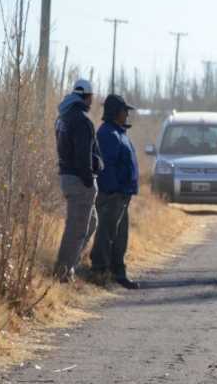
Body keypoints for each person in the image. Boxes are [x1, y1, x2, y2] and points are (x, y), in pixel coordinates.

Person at [54, 79, 103, 283]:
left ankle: (70, 265)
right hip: (79, 180)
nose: (92, 100)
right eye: (91, 97)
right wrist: (88, 180)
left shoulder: (63, 117)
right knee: (77, 228)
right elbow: (83, 156)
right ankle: (63, 274)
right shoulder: (82, 120)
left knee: (91, 222)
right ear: (87, 96)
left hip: (68, 177)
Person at [92, 94, 140, 289]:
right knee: (107, 233)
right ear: (116, 112)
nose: (127, 114)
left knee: (120, 236)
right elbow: (107, 165)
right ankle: (100, 270)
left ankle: (117, 272)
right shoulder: (107, 134)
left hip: (122, 194)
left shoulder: (118, 132)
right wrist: (113, 190)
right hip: (113, 194)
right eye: (124, 110)